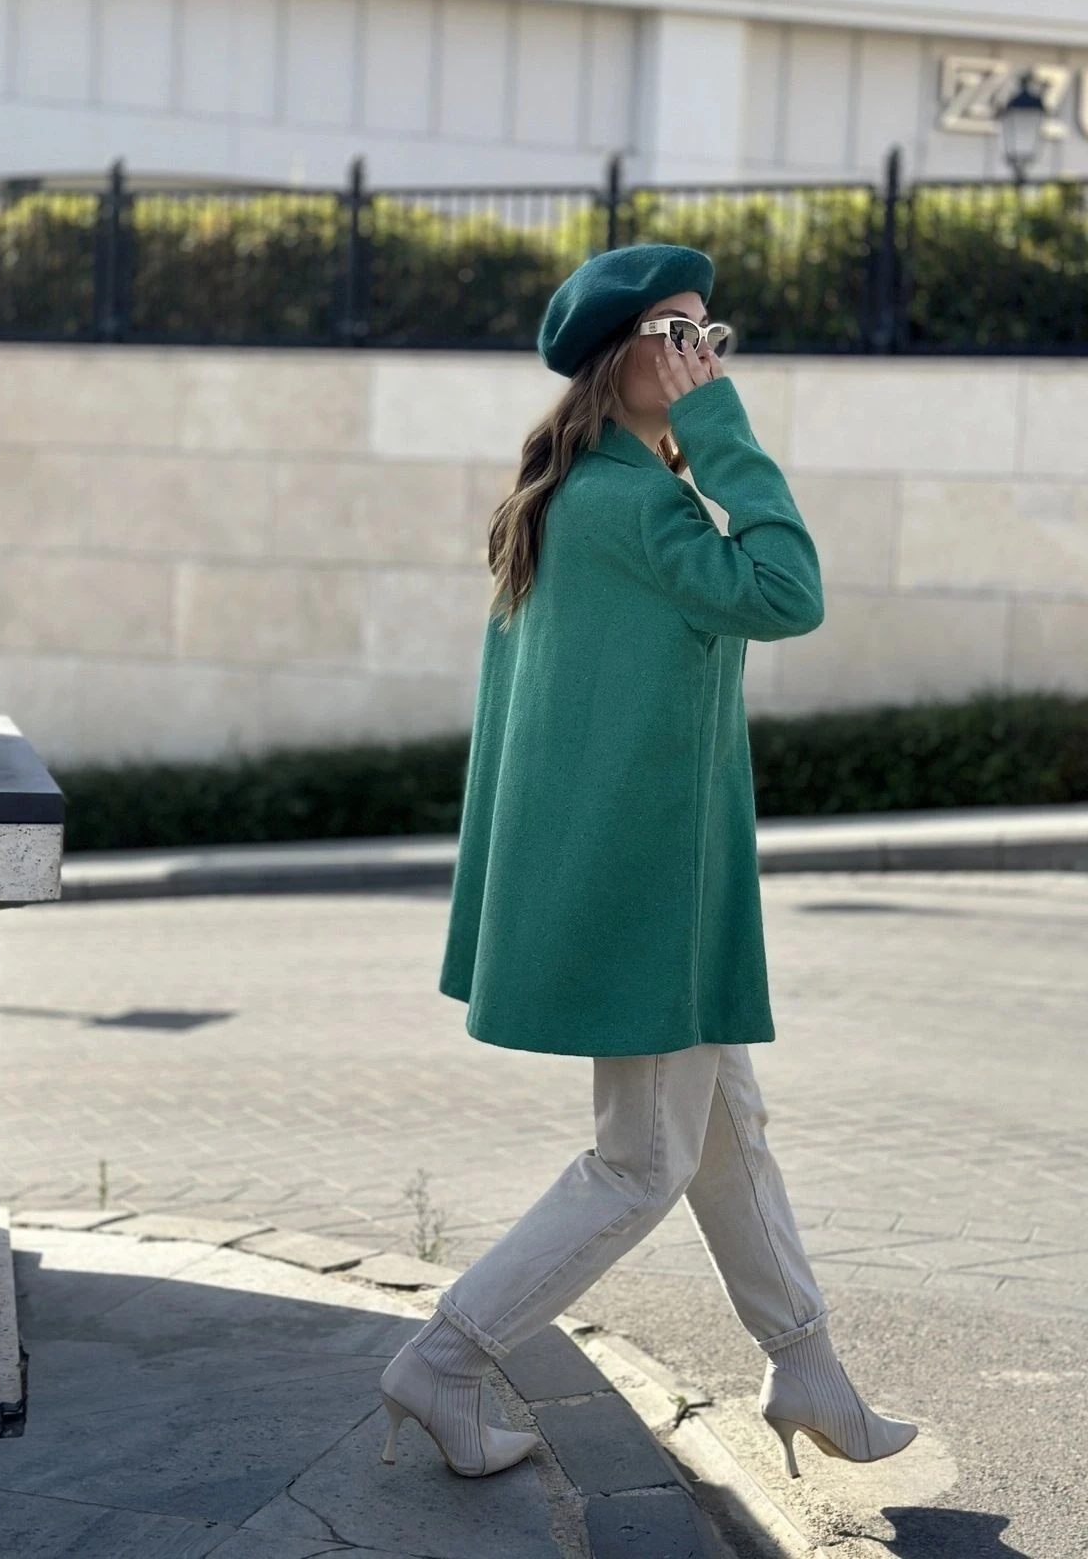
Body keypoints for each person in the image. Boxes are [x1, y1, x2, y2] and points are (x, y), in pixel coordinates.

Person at [378, 244, 919, 1483]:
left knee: (728, 1128)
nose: (702, 359)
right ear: (617, 360)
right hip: (650, 892)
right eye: (679, 337)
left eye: (711, 337)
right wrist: (720, 431)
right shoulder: (633, 507)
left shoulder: (578, 496)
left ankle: (807, 1367)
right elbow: (788, 591)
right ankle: (447, 1358)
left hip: (653, 880)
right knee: (642, 1162)